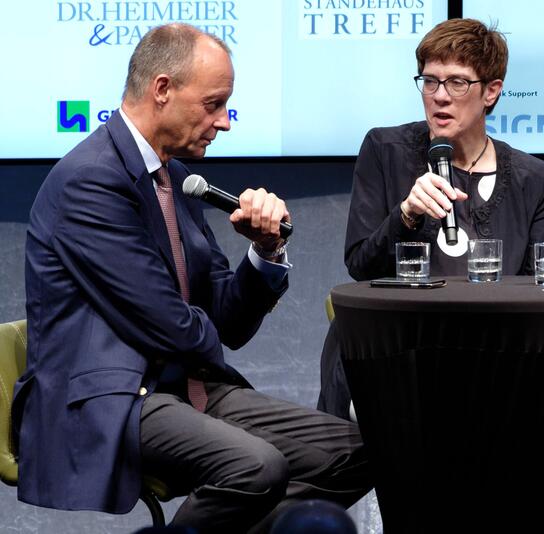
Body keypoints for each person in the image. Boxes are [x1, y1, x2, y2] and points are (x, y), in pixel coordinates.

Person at [13, 24, 370, 533]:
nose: (224, 122)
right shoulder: (89, 181)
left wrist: (265, 250)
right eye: (213, 104)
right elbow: (172, 325)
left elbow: (226, 320)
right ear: (162, 89)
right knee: (256, 467)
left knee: (358, 453)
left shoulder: (176, 177)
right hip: (110, 397)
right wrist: (205, 327)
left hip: (184, 385)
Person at [318, 18, 544, 418]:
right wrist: (407, 214)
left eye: (457, 82)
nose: (440, 97)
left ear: (491, 92)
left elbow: (542, 292)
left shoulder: (533, 179)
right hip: (394, 350)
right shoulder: (385, 149)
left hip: (490, 358)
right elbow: (361, 267)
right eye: (430, 81)